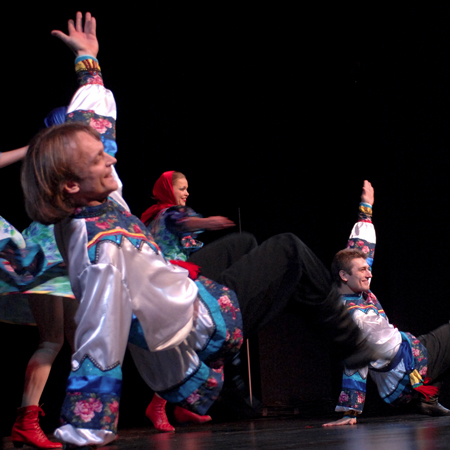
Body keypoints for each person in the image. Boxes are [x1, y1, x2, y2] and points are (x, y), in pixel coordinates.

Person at [20, 12, 376, 447]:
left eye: (103, 153)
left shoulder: (96, 200)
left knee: (244, 243)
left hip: (173, 286)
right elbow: (98, 335)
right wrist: (85, 427)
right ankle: (350, 341)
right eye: (98, 160)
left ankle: (238, 378)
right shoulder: (99, 249)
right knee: (289, 250)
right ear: (72, 184)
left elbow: (97, 127)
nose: (110, 159)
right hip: (194, 326)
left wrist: (88, 62)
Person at [323, 181, 450, 427]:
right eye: (363, 271)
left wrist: (366, 208)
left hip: (410, 355)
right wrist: (351, 411)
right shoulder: (352, 317)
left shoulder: (352, 282)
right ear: (343, 276)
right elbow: (355, 360)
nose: (369, 274)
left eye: (366, 269)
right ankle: (424, 394)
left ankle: (428, 398)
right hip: (406, 372)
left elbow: (360, 250)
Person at [141, 171, 257, 431]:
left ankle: (185, 406)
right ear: (169, 190)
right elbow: (186, 223)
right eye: (182, 188)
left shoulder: (152, 217)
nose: (186, 193)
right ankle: (159, 406)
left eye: (187, 188)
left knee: (191, 341)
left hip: (168, 280)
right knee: (197, 334)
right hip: (170, 281)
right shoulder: (169, 212)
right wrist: (209, 221)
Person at [0, 144, 77, 449]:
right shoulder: (55, 168)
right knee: (53, 340)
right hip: (48, 253)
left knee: (76, 341)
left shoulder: (53, 166)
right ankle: (26, 421)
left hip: (63, 254)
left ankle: (79, 418)